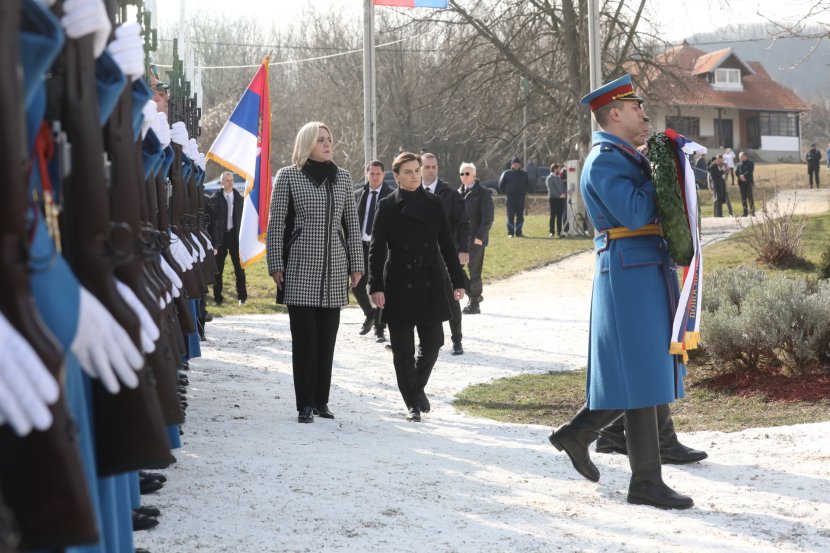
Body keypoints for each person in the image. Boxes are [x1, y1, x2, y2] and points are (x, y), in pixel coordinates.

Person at [548, 74, 694, 510]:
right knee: (641, 374)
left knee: (644, 373)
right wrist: (662, 175)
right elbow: (633, 213)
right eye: (636, 109)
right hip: (629, 271)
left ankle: (584, 438)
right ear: (615, 113)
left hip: (642, 269)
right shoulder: (605, 159)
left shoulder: (623, 155)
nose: (644, 115)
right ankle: (643, 479)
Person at [266, 122, 364, 423]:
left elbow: (352, 225)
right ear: (307, 143)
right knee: (305, 340)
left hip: (334, 269)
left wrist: (357, 264)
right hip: (299, 268)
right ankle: (304, 404)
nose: (327, 144)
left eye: (329, 139)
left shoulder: (343, 177)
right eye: (320, 140)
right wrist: (275, 263)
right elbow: (276, 223)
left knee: (327, 340)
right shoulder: (289, 176)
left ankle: (322, 401)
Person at [368, 152, 466, 422]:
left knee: (434, 342)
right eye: (408, 171)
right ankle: (412, 402)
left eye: (417, 170)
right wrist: (375, 286)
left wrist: (459, 280)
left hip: (431, 279)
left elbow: (447, 244)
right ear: (396, 175)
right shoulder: (387, 206)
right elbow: (376, 249)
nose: (414, 175)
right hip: (399, 281)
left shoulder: (435, 203)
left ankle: (417, 388)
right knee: (403, 350)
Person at [421, 153, 470, 355]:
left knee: (452, 298)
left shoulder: (449, 194)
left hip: (446, 255)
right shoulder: (413, 192)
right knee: (422, 299)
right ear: (420, 169)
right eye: (427, 167)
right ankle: (427, 341)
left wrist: (463, 250)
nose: (431, 170)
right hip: (421, 256)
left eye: (434, 167)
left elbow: (463, 224)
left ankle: (457, 340)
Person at [353, 160, 394, 343]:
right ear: (366, 174)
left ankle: (380, 329)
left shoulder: (391, 195)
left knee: (379, 288)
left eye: (378, 174)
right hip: (360, 246)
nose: (375, 177)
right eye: (372, 174)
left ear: (383, 175)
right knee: (357, 286)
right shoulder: (358, 194)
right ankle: (370, 314)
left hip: (381, 248)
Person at [459, 162, 494, 315]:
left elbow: (488, 217)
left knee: (474, 271)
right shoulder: (457, 193)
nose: (464, 176)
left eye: (467, 173)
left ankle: (474, 303)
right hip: (460, 240)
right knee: (453, 268)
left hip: (475, 239)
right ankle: (474, 295)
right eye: (462, 173)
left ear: (474, 175)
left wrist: (480, 236)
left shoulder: (483, 192)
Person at [209, 171, 247, 306]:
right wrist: (213, 241)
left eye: (231, 180)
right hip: (220, 238)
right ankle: (217, 297)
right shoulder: (215, 199)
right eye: (227, 180)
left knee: (239, 268)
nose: (230, 182)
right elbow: (212, 222)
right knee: (218, 269)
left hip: (235, 237)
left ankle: (242, 297)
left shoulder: (240, 199)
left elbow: (244, 220)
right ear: (222, 183)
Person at [498, 156, 529, 237]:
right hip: (510, 197)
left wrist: (524, 191)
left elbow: (528, 184)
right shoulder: (506, 173)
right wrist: (506, 192)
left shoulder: (524, 174)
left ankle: (519, 232)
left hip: (520, 198)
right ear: (512, 165)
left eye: (517, 164)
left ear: (520, 165)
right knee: (510, 215)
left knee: (520, 215)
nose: (516, 165)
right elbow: (501, 185)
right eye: (514, 164)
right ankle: (510, 233)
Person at [545, 163, 567, 237]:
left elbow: (563, 187)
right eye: (558, 169)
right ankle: (552, 232)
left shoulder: (558, 178)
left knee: (559, 216)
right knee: (553, 215)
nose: (559, 170)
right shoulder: (549, 178)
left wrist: (564, 194)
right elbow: (551, 190)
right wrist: (559, 195)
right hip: (553, 199)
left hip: (561, 199)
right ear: (555, 169)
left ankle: (560, 232)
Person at [734, 151, 756, 216]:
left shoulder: (750, 163)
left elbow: (750, 171)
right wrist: (740, 176)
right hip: (741, 183)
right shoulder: (738, 164)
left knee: (750, 197)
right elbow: (736, 172)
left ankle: (752, 212)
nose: (740, 158)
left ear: (745, 156)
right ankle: (745, 212)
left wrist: (743, 176)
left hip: (748, 182)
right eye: (739, 157)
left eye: (741, 156)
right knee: (743, 198)